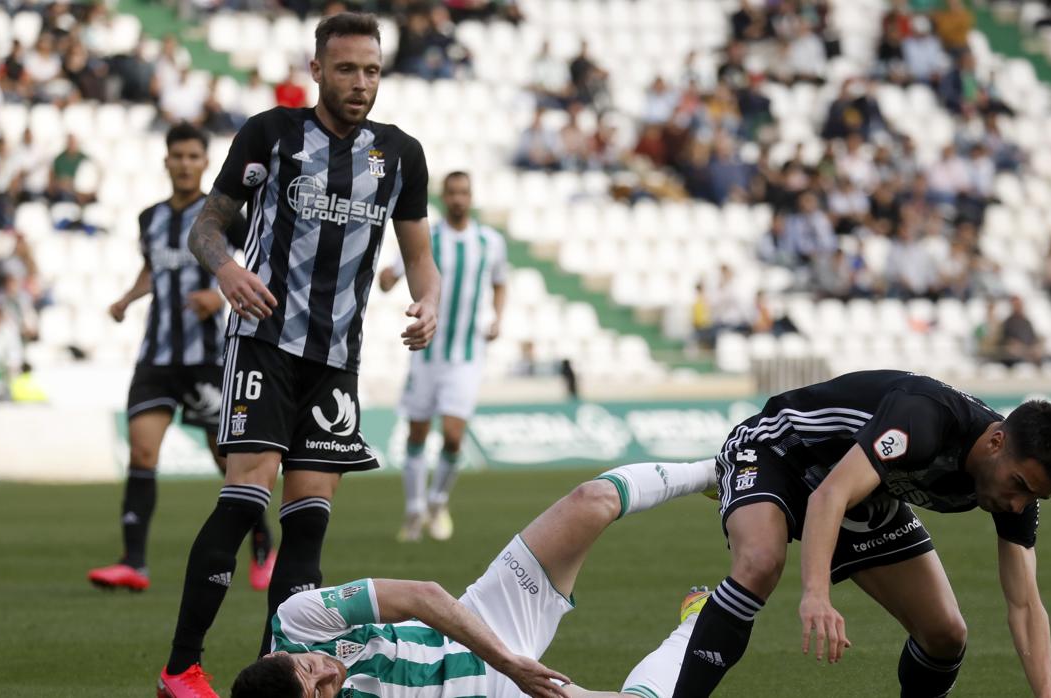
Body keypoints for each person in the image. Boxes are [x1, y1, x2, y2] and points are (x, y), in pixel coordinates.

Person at [158, 13, 440, 696]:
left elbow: (421, 258)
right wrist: (226, 271)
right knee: (245, 492)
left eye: (371, 70)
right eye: (346, 69)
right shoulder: (272, 134)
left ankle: (273, 673)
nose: (360, 83)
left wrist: (429, 302)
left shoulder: (399, 154)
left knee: (308, 523)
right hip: (266, 342)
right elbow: (207, 226)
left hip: (337, 357)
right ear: (316, 70)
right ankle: (182, 668)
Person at [672, 370, 1051, 698]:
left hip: (860, 489)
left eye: (1033, 496)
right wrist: (816, 595)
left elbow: (1025, 604)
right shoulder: (923, 420)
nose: (1018, 504)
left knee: (945, 634)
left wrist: (1048, 697)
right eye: (1018, 485)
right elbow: (828, 496)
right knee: (760, 563)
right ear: (997, 441)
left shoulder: (1017, 490)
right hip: (780, 451)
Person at [230, 459, 720, 697]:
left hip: (484, 620)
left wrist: (510, 662)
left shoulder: (298, 621)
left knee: (591, 501)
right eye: (320, 693)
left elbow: (423, 596)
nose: (328, 675)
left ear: (278, 654)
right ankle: (695, 625)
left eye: (309, 668)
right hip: (492, 693)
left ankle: (718, 468)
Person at [85, 123, 274, 595]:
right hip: (157, 357)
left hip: (208, 358)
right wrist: (128, 298)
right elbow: (153, 268)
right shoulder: (150, 218)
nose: (186, 163)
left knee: (226, 461)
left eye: (194, 156)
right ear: (166, 161)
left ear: (204, 162)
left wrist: (218, 294)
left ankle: (263, 544)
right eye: (178, 156)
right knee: (142, 450)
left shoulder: (226, 216)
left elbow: (257, 263)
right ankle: (134, 562)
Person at [379, 171, 507, 543]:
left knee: (453, 435)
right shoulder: (428, 237)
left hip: (467, 355)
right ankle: (414, 510)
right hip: (426, 352)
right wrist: (386, 279)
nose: (458, 198)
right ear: (443, 196)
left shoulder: (490, 242)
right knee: (417, 431)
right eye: (451, 192)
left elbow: (500, 281)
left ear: (471, 196)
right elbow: (394, 273)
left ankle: (437, 501)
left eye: (464, 192)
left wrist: (498, 317)